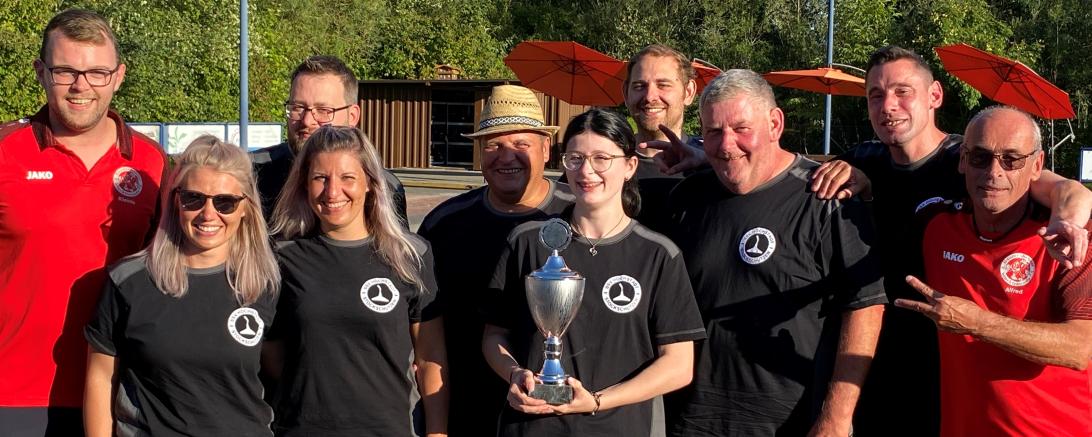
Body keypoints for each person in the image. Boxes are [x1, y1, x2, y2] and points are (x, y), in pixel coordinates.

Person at [807, 45, 1092, 436]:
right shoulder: (865, 158)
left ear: (935, 96)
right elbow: (796, 173)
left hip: (953, 364)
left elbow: (1068, 190)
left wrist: (1068, 223)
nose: (888, 106)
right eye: (876, 95)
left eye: (902, 91)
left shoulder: (973, 158)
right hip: (880, 359)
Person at [664, 69, 886, 436]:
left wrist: (836, 417)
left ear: (775, 124)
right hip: (691, 420)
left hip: (790, 422)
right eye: (714, 132)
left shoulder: (827, 196)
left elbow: (865, 308)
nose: (726, 145)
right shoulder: (687, 198)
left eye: (741, 129)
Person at [481, 108, 706, 437]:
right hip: (532, 427)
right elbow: (494, 336)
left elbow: (679, 366)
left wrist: (597, 401)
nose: (586, 171)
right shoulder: (528, 241)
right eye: (575, 158)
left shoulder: (658, 254)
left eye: (602, 158)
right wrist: (514, 373)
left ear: (630, 166)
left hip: (623, 428)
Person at [0, 9, 168, 436]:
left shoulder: (152, 164)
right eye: (65, 71)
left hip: (123, 397)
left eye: (97, 72)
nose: (82, 86)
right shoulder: (5, 151)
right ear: (40, 72)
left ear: (118, 76)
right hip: (15, 396)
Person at [896, 106, 1092, 436]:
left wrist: (977, 323)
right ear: (962, 160)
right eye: (980, 158)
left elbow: (1080, 349)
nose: (994, 172)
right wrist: (856, 177)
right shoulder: (935, 225)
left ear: (1037, 165)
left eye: (1011, 160)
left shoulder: (1072, 238)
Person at [84, 136, 280, 436]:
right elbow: (100, 377)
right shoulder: (129, 281)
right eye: (193, 198)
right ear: (176, 201)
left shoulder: (266, 283)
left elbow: (284, 378)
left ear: (245, 208)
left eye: (225, 202)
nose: (208, 214)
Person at [266, 125, 447, 436]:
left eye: (347, 178)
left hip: (390, 430)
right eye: (320, 178)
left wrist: (437, 433)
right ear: (304, 184)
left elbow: (430, 357)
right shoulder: (282, 257)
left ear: (370, 183)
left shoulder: (410, 255)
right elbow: (272, 355)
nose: (332, 192)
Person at [417, 85, 574, 437]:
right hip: (466, 411)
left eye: (521, 144)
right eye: (493, 145)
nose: (507, 156)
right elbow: (426, 332)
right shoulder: (444, 224)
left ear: (546, 148)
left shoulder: (577, 216)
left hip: (558, 416)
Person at [251, 55, 407, 226]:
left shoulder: (384, 189)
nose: (307, 121)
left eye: (323, 110)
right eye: (298, 108)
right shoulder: (252, 175)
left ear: (352, 116)